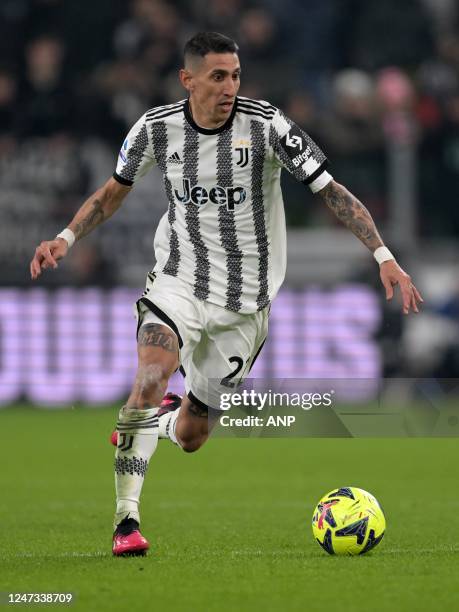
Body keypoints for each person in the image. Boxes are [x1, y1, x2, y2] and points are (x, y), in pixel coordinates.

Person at [29, 32, 423, 556]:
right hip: (178, 281)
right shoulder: (154, 129)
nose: (230, 87)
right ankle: (127, 523)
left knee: (192, 435)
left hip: (244, 304)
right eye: (218, 76)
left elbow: (332, 190)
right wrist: (65, 237)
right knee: (149, 374)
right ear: (187, 80)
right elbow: (111, 194)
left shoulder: (267, 126)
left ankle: (166, 419)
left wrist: (383, 255)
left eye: (235, 75)